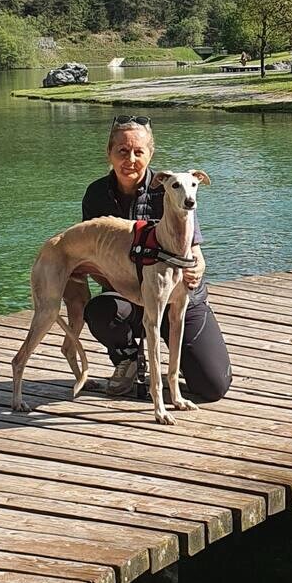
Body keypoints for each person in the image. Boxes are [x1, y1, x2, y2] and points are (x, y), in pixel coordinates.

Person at [79, 115, 233, 402]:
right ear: (109, 153)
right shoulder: (96, 195)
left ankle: (177, 367)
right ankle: (128, 360)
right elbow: (91, 254)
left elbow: (196, 254)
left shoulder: (176, 188)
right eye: (122, 151)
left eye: (139, 151)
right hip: (127, 293)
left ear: (151, 153)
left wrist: (197, 268)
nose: (131, 159)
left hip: (178, 295)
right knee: (100, 310)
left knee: (213, 386)